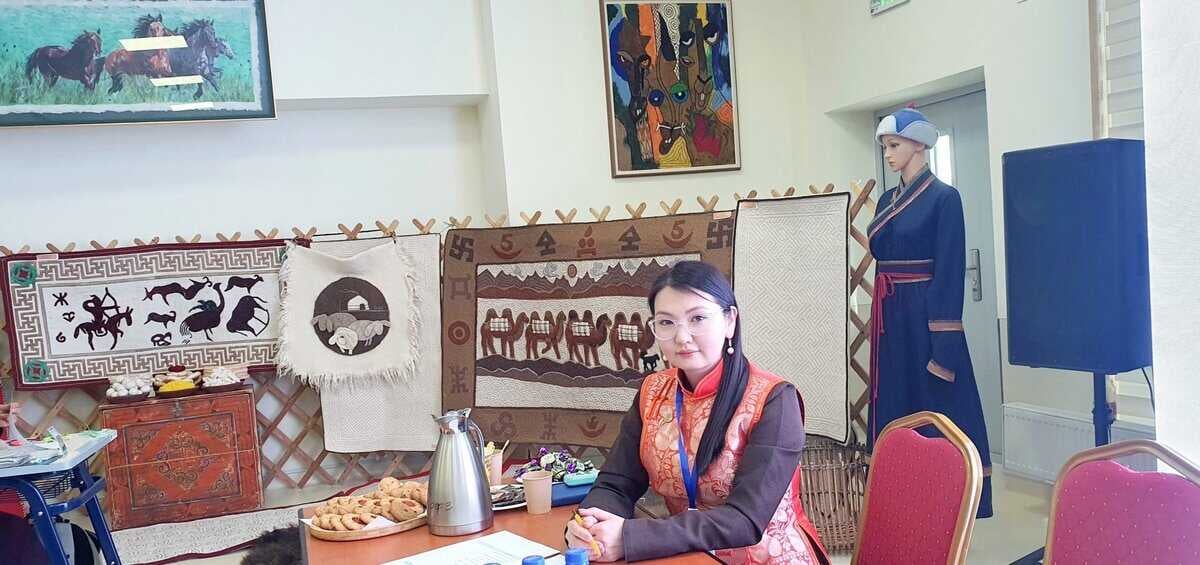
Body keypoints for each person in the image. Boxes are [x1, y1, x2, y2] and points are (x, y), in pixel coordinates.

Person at [565, 261, 829, 564]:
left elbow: (745, 519)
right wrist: (590, 524)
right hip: (683, 554)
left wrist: (630, 537)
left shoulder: (774, 400)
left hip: (768, 556)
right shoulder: (652, 392)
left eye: (698, 318)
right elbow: (616, 483)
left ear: (730, 321)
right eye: (666, 322)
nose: (682, 337)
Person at [869, 107, 993, 517]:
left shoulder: (944, 198)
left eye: (894, 145)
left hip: (924, 317)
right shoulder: (886, 200)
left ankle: (944, 499)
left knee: (935, 404)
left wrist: (943, 344)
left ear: (919, 145)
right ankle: (900, 498)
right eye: (885, 146)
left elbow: (950, 271)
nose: (888, 154)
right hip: (891, 316)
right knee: (898, 403)